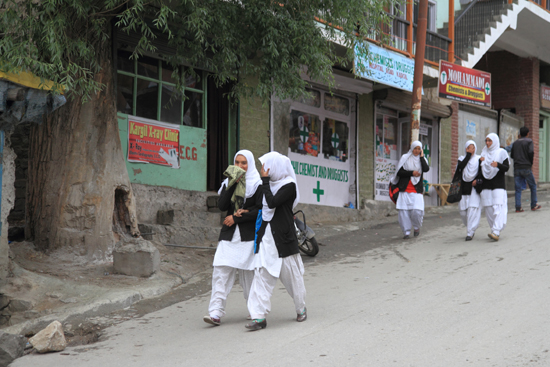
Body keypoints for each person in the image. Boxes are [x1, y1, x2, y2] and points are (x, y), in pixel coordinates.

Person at [245, 152, 307, 331]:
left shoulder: (289, 185)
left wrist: (264, 182)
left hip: (284, 238)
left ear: (275, 166)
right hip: (267, 238)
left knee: (293, 278)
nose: (262, 170)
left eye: (265, 166)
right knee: (261, 276)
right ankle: (258, 317)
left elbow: (272, 203)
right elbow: (261, 208)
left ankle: (300, 307)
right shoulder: (266, 185)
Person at [203, 150, 262, 326]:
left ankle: (255, 310)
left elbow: (260, 211)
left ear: (250, 164)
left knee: (249, 275)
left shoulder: (257, 185)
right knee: (220, 272)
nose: (240, 166)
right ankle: (215, 312)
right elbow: (221, 206)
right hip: (229, 235)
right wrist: (231, 183)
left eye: (244, 163)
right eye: (237, 162)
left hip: (248, 236)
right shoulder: (228, 182)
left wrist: (237, 217)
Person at [390, 141, 430, 239]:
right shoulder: (405, 157)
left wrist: (421, 157)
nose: (416, 151)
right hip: (404, 190)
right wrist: (412, 173)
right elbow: (399, 172)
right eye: (415, 148)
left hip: (417, 190)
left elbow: (426, 169)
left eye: (418, 149)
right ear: (411, 148)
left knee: (417, 211)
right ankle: (406, 232)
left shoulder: (422, 159)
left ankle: (416, 227)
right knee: (403, 212)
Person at [479, 133, 510, 241]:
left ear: (495, 141)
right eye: (486, 140)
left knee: (498, 207)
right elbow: (480, 170)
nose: (487, 143)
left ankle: (496, 231)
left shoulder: (502, 152)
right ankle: (494, 230)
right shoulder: (484, 153)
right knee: (488, 209)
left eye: (489, 141)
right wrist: (480, 161)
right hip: (486, 185)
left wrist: (498, 165)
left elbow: (506, 168)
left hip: (498, 185)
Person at [510, 127, 541, 212]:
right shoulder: (529, 141)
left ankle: (518, 207)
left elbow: (512, 155)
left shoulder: (515, 143)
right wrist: (530, 162)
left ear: (520, 134)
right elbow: (531, 152)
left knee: (518, 188)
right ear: (527, 133)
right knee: (533, 186)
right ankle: (534, 204)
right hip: (526, 167)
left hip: (517, 167)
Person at [456, 140, 481, 241]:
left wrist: (478, 181)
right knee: (463, 211)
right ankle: (470, 227)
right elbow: (460, 168)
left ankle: (470, 232)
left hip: (474, 188)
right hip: (463, 188)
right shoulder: (461, 159)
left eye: (473, 148)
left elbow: (482, 173)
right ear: (466, 149)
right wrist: (468, 155)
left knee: (472, 209)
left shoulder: (479, 159)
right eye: (470, 148)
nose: (472, 150)